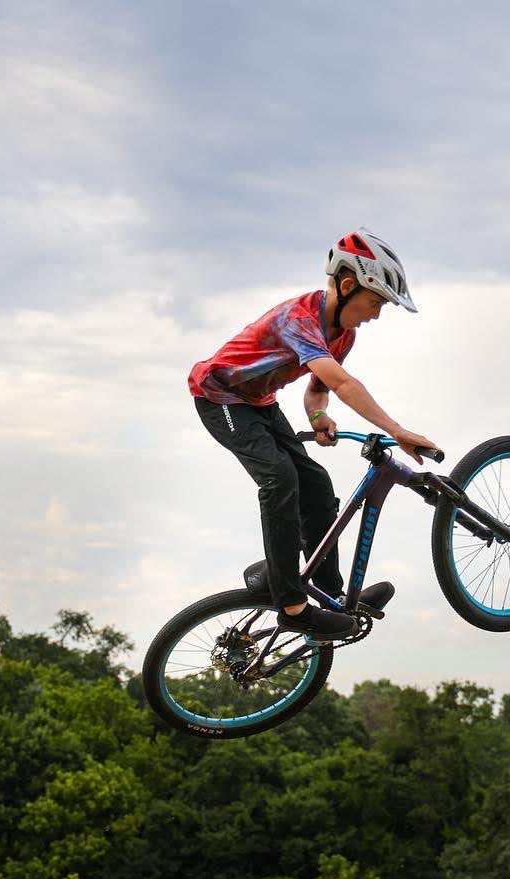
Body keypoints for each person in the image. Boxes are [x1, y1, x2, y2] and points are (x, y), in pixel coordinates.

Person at [188, 229, 440, 641]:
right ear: (346, 286)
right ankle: (292, 606)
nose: (376, 314)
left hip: (260, 402)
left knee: (317, 485)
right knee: (279, 478)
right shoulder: (299, 319)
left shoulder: (343, 333)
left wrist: (318, 414)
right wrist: (396, 430)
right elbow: (341, 382)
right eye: (374, 302)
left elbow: (319, 387)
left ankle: (328, 592)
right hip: (219, 397)